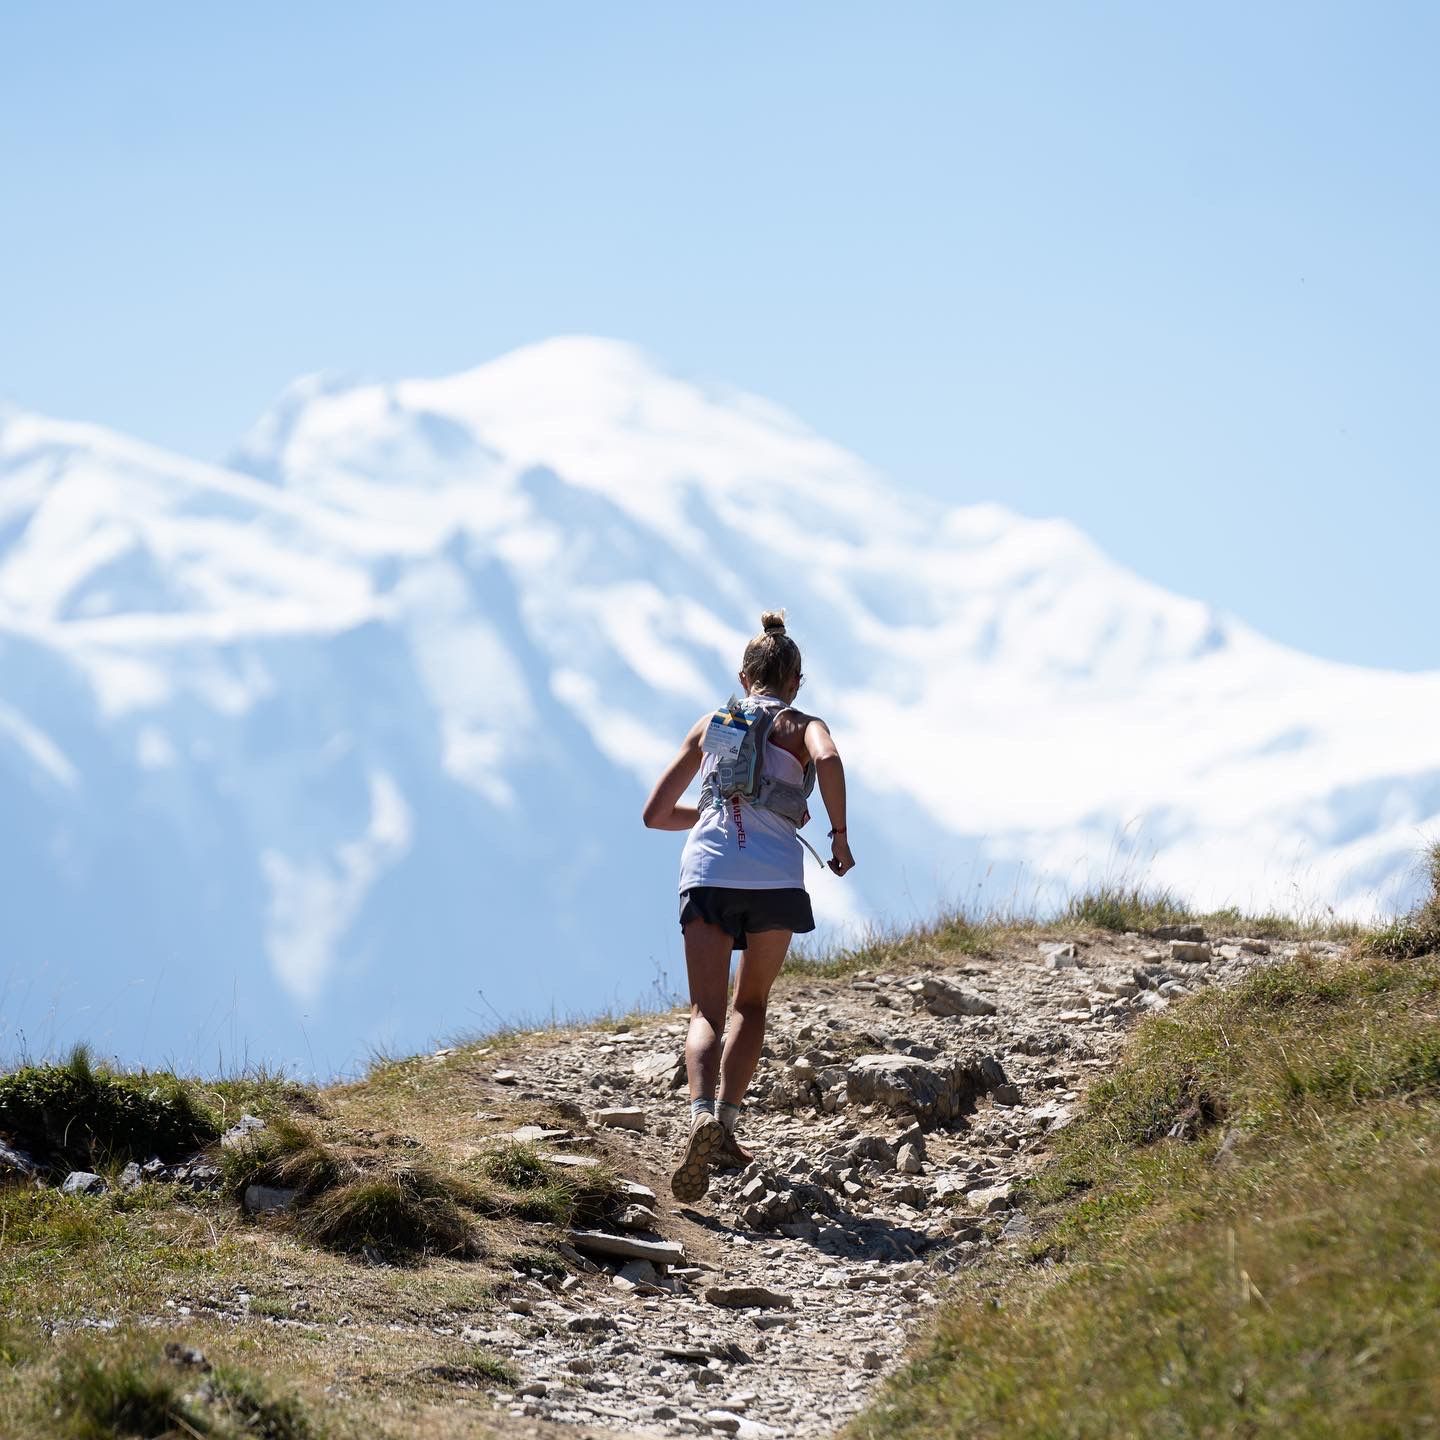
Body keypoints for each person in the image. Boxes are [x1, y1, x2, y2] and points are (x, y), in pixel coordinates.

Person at [642, 611, 855, 1202]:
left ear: (743, 676)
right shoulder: (801, 724)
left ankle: (701, 1116)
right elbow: (831, 760)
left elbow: (656, 814)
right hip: (774, 881)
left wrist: (713, 815)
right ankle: (730, 1127)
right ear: (796, 682)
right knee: (751, 1004)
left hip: (708, 872)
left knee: (704, 1012)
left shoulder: (712, 724)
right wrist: (838, 834)